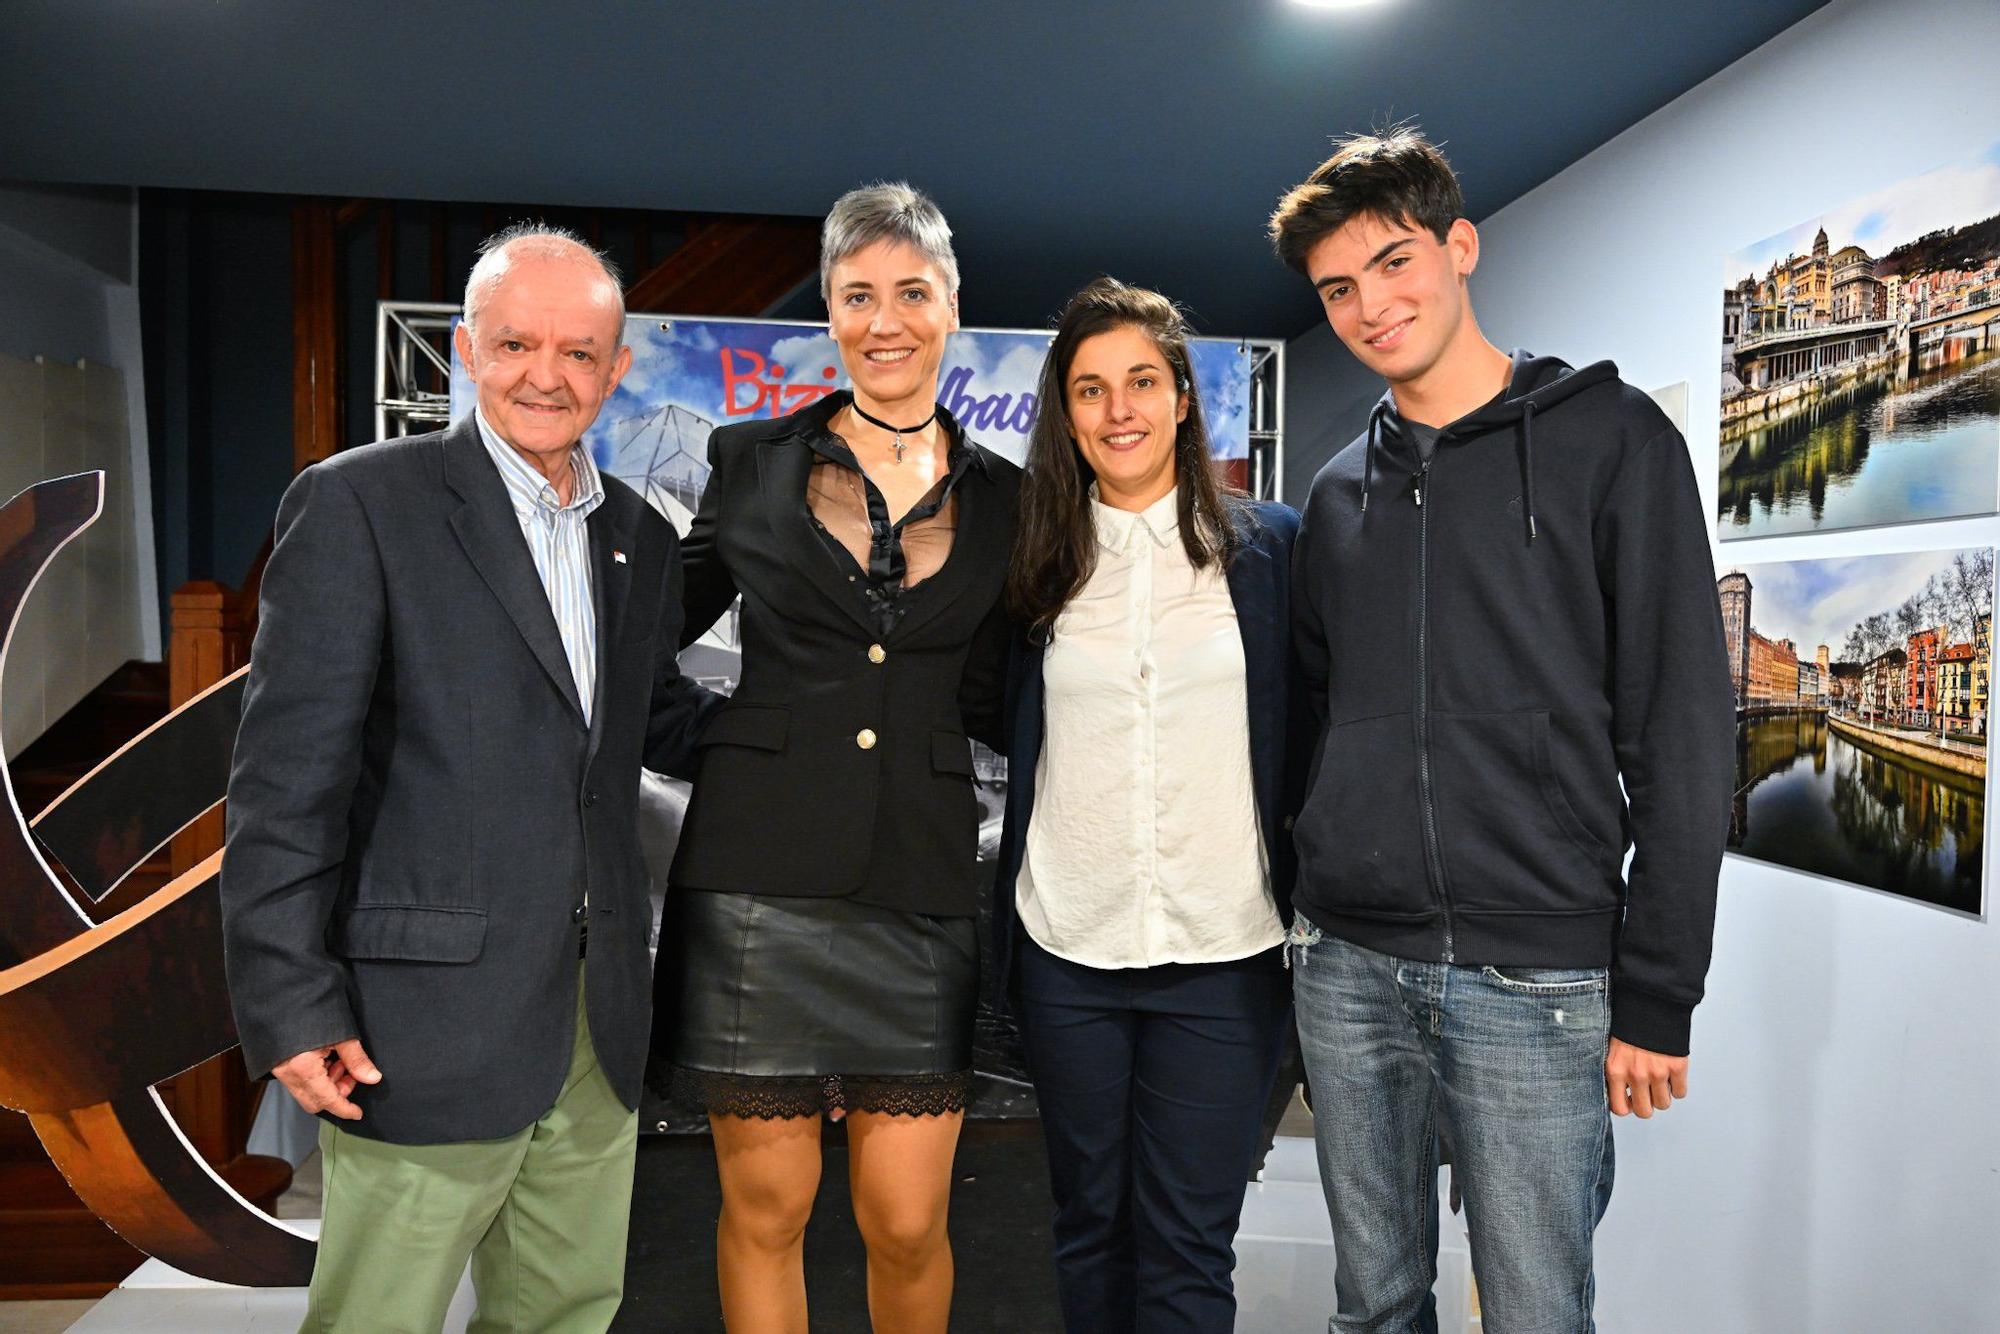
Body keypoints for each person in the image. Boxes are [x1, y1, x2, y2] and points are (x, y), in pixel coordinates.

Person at [1267, 126, 1735, 1332]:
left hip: (1538, 973)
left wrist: (1657, 990)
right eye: (1336, 289)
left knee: (1533, 1310)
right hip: (1346, 962)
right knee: (1370, 1303)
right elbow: (1313, 722)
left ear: (1458, 245)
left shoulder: (1611, 440)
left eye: (1392, 261)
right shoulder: (1330, 495)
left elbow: (1682, 727)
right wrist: (1301, 892)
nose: (1370, 304)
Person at [219, 223, 718, 1332]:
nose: (547, 374)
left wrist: (839, 727)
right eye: (515, 343)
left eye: (579, 352)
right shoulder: (358, 504)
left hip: (596, 1037)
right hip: (418, 1029)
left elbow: (652, 725)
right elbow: (283, 782)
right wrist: (291, 1001)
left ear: (616, 368)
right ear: (465, 347)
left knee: (562, 1314)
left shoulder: (634, 536)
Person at [651, 181, 1018, 1334]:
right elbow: (631, 634)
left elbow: (1012, 685)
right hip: (754, 885)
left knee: (907, 1220)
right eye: (857, 295)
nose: (885, 318)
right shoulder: (752, 460)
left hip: (917, 884)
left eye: (910, 291)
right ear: (829, 311)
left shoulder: (1013, 498)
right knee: (766, 1210)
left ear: (950, 305)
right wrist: (710, 734)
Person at [990, 277, 1300, 1333]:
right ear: (1063, 413)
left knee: (1184, 1246)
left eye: (1138, 382)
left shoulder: (1270, 551)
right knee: (1087, 1225)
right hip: (1066, 950)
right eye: (1088, 389)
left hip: (1222, 955)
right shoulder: (1028, 564)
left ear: (1180, 397)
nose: (1116, 410)